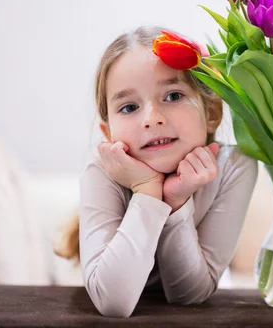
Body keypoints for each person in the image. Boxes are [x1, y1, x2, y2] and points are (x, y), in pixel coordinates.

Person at [55, 26, 258, 318]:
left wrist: (176, 204)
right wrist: (148, 190)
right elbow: (113, 302)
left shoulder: (234, 167)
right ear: (108, 133)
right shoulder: (101, 172)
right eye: (129, 107)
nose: (151, 119)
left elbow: (190, 295)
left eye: (173, 96)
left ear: (211, 111)